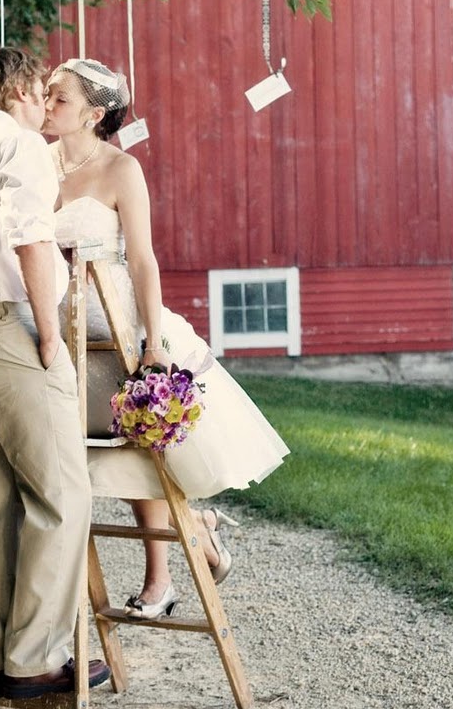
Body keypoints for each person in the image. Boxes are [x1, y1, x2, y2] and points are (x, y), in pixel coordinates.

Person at [43, 58, 289, 618]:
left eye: (59, 98)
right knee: (106, 462)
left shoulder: (120, 168)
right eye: (48, 95)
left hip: (120, 330)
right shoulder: (37, 163)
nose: (48, 104)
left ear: (94, 112)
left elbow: (144, 260)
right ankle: (194, 526)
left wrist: (154, 344)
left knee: (143, 450)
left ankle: (161, 581)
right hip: (63, 334)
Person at [0, 47, 107, 700]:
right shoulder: (21, 145)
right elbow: (30, 240)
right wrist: (50, 338)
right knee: (65, 495)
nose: (45, 107)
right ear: (20, 93)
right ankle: (33, 658)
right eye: (41, 94)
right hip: (12, 327)